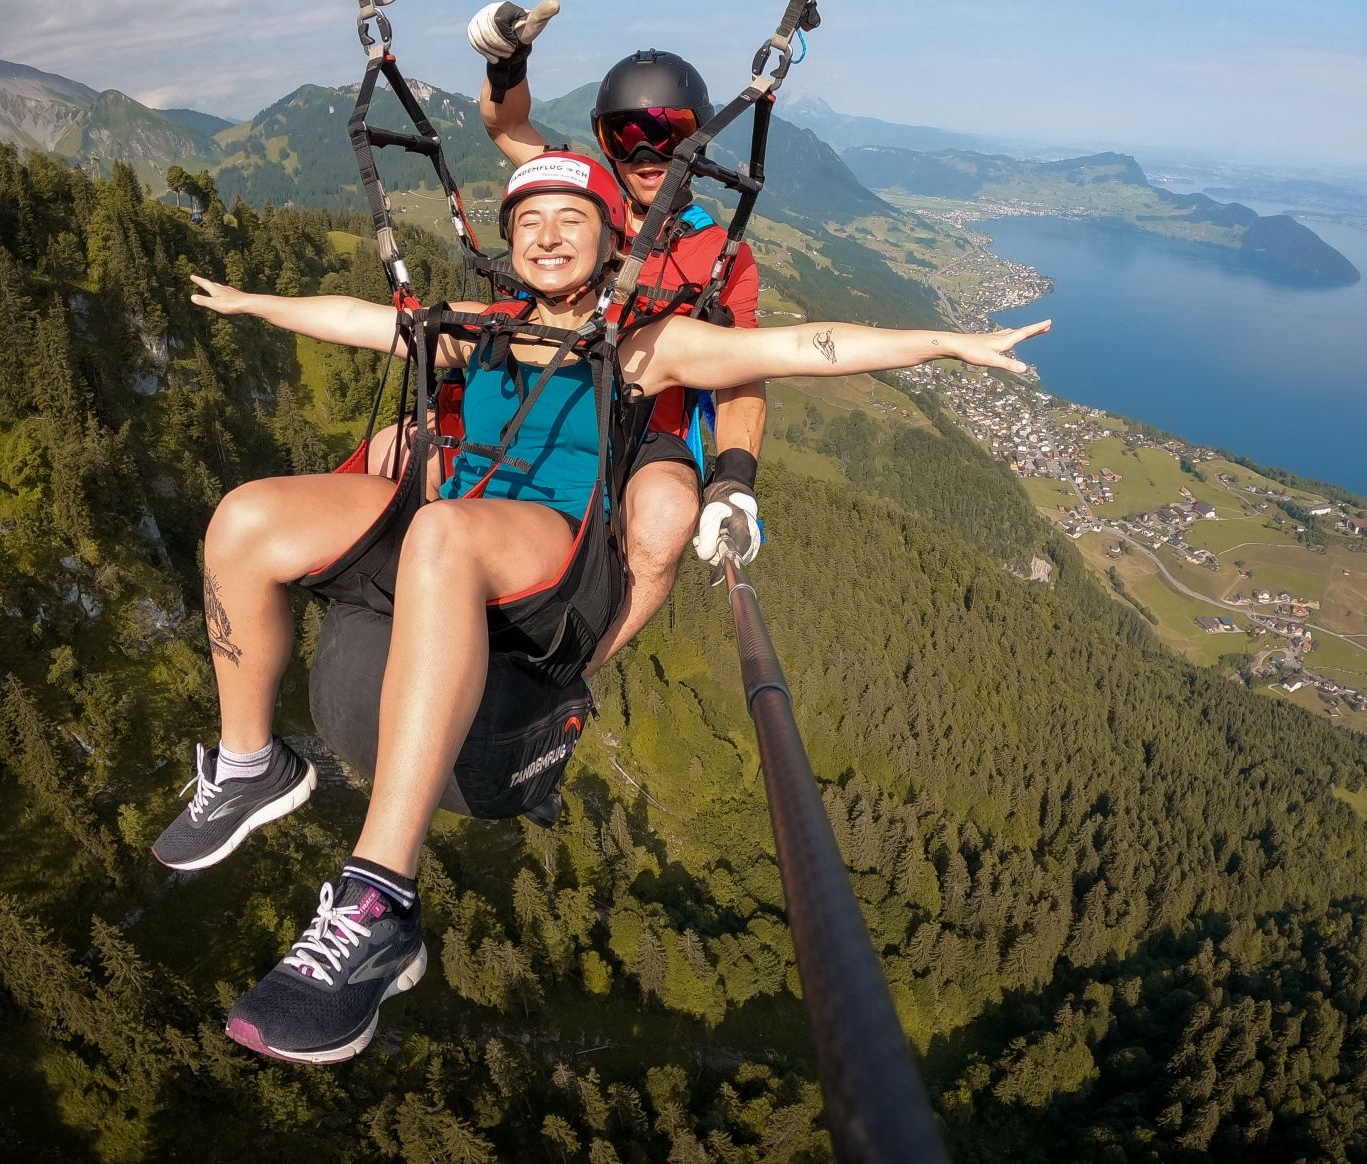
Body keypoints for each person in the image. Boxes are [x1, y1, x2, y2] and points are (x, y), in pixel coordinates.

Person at [157, 151, 1046, 1064]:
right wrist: (257, 305)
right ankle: (250, 762)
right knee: (246, 518)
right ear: (508, 246)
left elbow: (792, 348)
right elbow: (364, 323)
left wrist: (943, 344)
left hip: (552, 550)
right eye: (529, 222)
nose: (547, 237)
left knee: (442, 532)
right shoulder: (485, 329)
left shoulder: (643, 344)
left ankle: (379, 899)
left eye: (570, 220)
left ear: (614, 243)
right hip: (458, 524)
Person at [467, 1, 762, 669]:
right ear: (605, 141)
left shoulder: (720, 258)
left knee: (661, 521)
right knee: (402, 450)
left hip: (642, 426)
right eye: (627, 135)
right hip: (547, 394)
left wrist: (734, 477)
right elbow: (505, 123)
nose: (648, 152)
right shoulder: (583, 198)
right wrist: (506, 59)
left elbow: (741, 371)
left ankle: (580, 672)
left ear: (696, 139)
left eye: (669, 131)